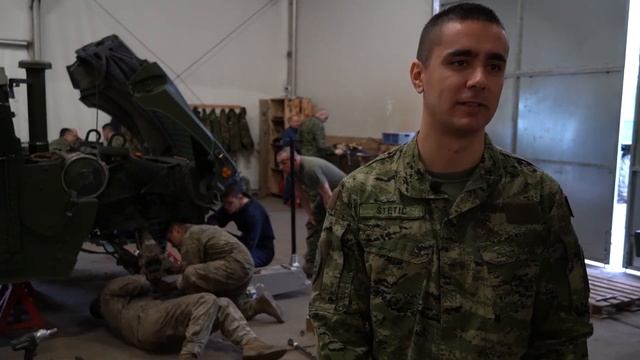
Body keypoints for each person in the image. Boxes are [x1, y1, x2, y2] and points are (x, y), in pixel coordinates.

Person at [309, 3, 593, 359]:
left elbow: (563, 336)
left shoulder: (538, 199)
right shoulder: (362, 196)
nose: (479, 79)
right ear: (418, 76)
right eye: (460, 62)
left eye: (494, 66)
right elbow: (338, 331)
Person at [93, 275, 287, 360]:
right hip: (147, 323)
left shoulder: (119, 314)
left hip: (156, 336)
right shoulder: (107, 296)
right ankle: (189, 355)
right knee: (207, 299)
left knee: (223, 303)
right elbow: (139, 282)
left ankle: (251, 344)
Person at [167, 222, 285, 323]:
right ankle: (260, 305)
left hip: (233, 266)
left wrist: (173, 288)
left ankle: (197, 313)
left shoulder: (190, 236)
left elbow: (191, 272)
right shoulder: (202, 229)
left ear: (176, 230)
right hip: (245, 266)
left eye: (170, 239)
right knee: (233, 311)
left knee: (191, 274)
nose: (171, 244)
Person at [276, 148, 345, 278]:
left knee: (337, 228)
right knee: (313, 223)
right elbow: (301, 194)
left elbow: (327, 194)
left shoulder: (310, 169)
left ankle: (340, 263)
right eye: (279, 163)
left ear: (294, 160)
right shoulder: (292, 171)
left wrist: (332, 217)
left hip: (343, 191)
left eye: (283, 163)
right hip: (328, 192)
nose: (280, 167)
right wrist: (310, 215)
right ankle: (312, 262)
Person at [207, 177, 276, 267]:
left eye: (229, 203)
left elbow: (248, 246)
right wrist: (214, 230)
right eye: (224, 203)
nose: (226, 207)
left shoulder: (253, 214)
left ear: (240, 198)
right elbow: (214, 219)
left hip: (261, 250)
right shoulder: (232, 205)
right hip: (245, 241)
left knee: (233, 263)